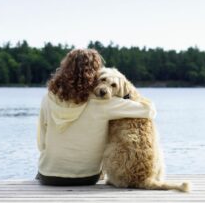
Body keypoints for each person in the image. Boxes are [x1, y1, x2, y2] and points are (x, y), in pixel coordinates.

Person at [36, 49, 155, 186]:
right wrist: (127, 95)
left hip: (49, 176)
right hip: (87, 177)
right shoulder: (104, 103)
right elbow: (149, 110)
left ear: (64, 69)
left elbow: (41, 143)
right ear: (94, 74)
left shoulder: (48, 98)